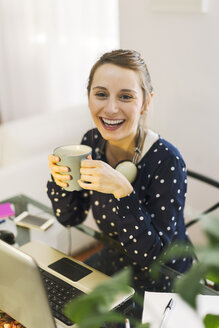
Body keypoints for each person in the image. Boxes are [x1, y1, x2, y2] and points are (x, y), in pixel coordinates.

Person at [47, 49, 192, 293]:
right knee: (53, 295)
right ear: (89, 97)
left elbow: (155, 259)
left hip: (164, 278)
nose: (111, 109)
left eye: (125, 97)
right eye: (101, 94)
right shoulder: (91, 142)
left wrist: (124, 192)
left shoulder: (167, 161)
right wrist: (61, 180)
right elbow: (69, 217)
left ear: (146, 102)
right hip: (116, 260)